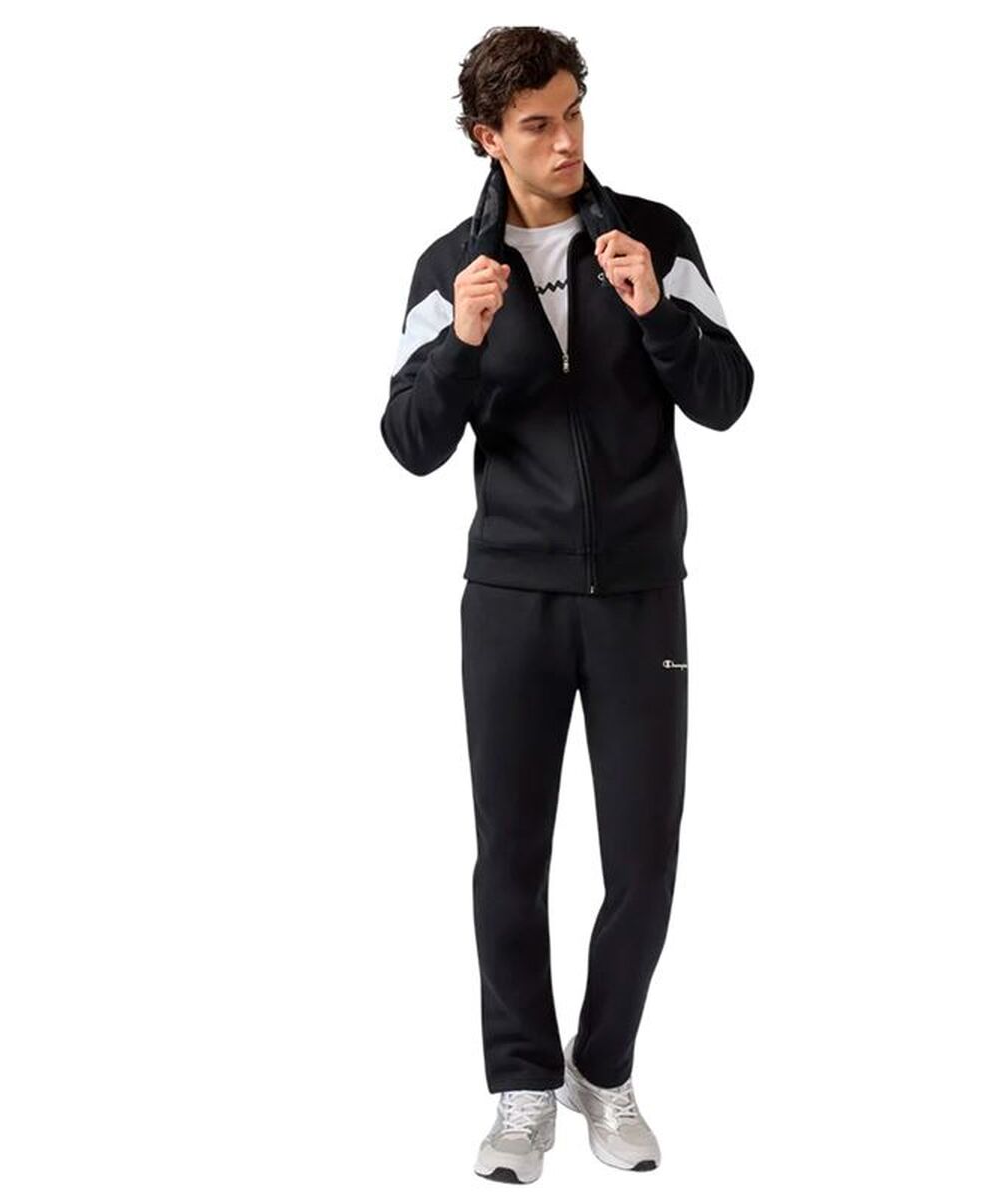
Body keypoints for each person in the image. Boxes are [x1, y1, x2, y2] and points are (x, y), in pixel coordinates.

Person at [381, 26, 754, 1183]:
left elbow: (729, 395)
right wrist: (463, 342)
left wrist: (657, 314)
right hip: (511, 598)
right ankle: (522, 1087)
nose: (564, 142)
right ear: (487, 137)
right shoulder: (449, 268)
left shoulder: (654, 237)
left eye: (573, 113)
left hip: (640, 594)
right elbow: (409, 440)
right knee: (511, 858)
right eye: (536, 124)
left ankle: (603, 1068)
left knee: (644, 859)